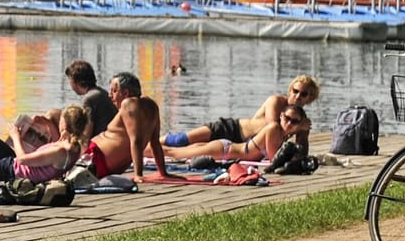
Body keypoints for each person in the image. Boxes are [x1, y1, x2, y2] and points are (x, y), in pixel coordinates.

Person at [164, 75, 321, 148]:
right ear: (290, 90)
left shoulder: (300, 119)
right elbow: (274, 128)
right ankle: (152, 142)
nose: (298, 96)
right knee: (180, 141)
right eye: (295, 91)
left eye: (304, 94)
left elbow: (302, 148)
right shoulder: (276, 102)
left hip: (242, 146)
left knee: (193, 149)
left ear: (310, 98)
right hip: (230, 129)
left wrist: (303, 134)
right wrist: (299, 127)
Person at [74, 72, 174, 181]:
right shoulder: (152, 106)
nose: (109, 95)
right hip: (95, 158)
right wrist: (163, 172)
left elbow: (136, 140)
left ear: (125, 93)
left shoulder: (128, 104)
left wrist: (138, 175)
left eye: (114, 91)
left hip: (94, 158)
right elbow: (155, 143)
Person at [164, 107, 309, 164]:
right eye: (287, 118)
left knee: (179, 149)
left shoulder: (283, 134)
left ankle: (145, 146)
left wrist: (304, 133)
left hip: (226, 148)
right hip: (225, 151)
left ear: (299, 123)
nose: (289, 123)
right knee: (173, 152)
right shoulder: (274, 128)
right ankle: (143, 147)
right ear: (281, 116)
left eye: (294, 121)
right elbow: (274, 159)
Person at [54, 59, 119, 138]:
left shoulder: (88, 99)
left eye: (70, 80)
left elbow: (86, 134)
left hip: (100, 143)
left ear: (75, 82)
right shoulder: (103, 93)